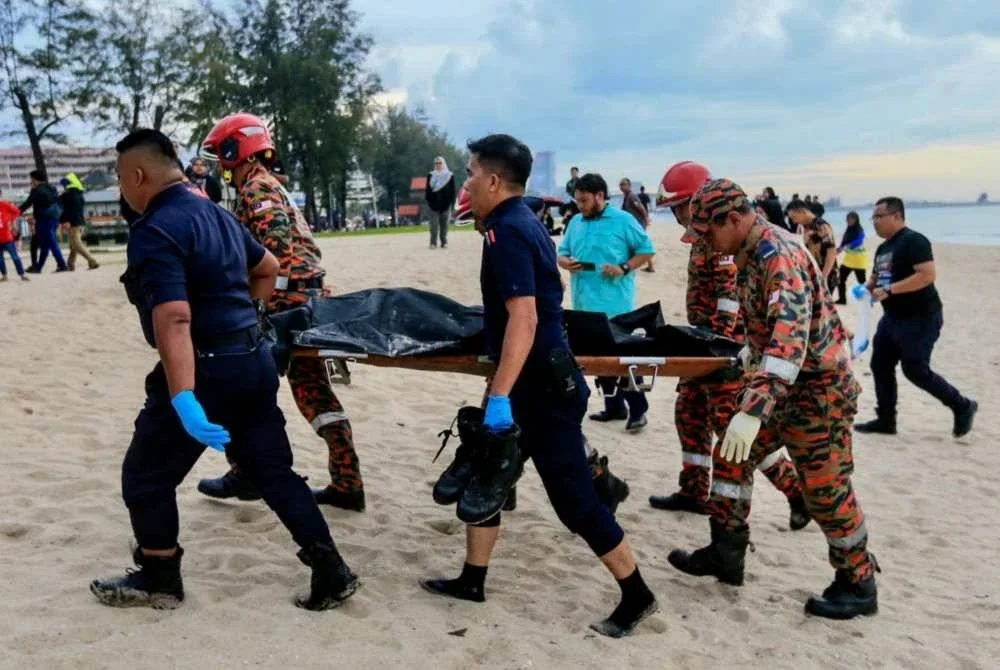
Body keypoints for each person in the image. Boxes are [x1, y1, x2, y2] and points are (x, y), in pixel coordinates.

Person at [90, 128, 358, 611]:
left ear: (136, 175)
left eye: (119, 177)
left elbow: (174, 317)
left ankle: (159, 576)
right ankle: (331, 570)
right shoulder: (215, 213)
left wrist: (184, 396)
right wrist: (243, 318)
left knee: (146, 477)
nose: (121, 187)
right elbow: (269, 267)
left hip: (206, 368)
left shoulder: (155, 230)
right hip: (252, 360)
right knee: (275, 474)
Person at [420, 133, 658, 638]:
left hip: (543, 390)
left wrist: (501, 394)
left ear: (492, 179)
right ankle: (472, 579)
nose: (466, 183)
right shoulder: (520, 220)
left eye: (469, 173)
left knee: (573, 502)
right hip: (533, 379)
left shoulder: (507, 231)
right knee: (488, 472)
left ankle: (638, 595)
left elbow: (523, 320)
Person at [671, 177, 880, 620]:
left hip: (818, 392)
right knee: (731, 456)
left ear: (734, 219)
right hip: (779, 386)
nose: (704, 245)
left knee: (826, 490)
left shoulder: (776, 255)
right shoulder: (745, 252)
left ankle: (857, 582)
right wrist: (743, 361)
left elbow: (789, 339)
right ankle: (726, 552)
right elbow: (763, 332)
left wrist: (752, 410)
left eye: (707, 233)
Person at [197, 113, 365, 511]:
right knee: (313, 395)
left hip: (283, 306)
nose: (221, 165)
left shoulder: (257, 189)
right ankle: (346, 481)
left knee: (238, 384)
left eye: (223, 155)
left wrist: (247, 297)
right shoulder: (269, 186)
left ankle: (247, 473)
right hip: (300, 303)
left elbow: (275, 248)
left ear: (238, 150)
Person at [648, 161, 808, 532]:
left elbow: (729, 298)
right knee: (688, 414)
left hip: (722, 349)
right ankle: (693, 490)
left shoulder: (723, 242)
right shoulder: (704, 235)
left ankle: (795, 491)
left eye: (678, 208)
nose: (676, 216)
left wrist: (716, 348)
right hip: (702, 342)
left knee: (731, 432)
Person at [855, 197, 977, 437]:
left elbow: (926, 275)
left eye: (879, 217)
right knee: (880, 364)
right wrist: (865, 289)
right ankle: (886, 420)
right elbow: (876, 278)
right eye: (873, 218)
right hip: (892, 318)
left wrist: (890, 290)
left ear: (897, 216)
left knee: (915, 369)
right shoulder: (883, 248)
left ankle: (962, 405)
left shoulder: (914, 241)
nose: (875, 222)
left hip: (921, 317)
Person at [558, 173, 655, 433]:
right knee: (598, 358)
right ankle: (614, 408)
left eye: (585, 200)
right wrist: (565, 262)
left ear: (600, 196)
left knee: (623, 360)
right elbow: (562, 253)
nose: (580, 205)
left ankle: (638, 410)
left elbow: (647, 251)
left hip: (616, 305)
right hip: (583, 302)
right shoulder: (576, 222)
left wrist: (624, 267)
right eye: (577, 200)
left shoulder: (624, 221)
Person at [19, 170, 68, 273]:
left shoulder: (37, 190)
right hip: (55, 217)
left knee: (51, 242)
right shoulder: (51, 187)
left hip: (44, 219)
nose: (31, 181)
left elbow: (28, 203)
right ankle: (38, 267)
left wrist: (15, 212)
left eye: (31, 179)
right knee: (45, 244)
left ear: (35, 179)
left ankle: (62, 264)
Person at [786, 199, 837, 294]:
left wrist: (824, 276)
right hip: (810, 273)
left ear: (802, 212)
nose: (793, 221)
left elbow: (831, 252)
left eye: (794, 217)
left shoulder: (821, 226)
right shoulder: (801, 227)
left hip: (824, 273)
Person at [58, 173, 100, 271]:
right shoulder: (80, 195)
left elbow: (65, 210)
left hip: (73, 223)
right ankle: (70, 264)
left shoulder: (66, 195)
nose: (64, 187)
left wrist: (63, 220)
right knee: (73, 245)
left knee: (76, 244)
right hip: (81, 223)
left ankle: (92, 260)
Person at [836, 211, 867, 304]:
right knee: (840, 279)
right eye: (848, 219)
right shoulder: (848, 230)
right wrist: (839, 249)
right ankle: (842, 299)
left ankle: (866, 299)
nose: (849, 221)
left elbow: (860, 240)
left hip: (859, 260)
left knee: (862, 282)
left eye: (851, 219)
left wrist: (850, 245)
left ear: (856, 219)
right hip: (848, 260)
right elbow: (844, 241)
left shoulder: (859, 229)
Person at [425, 156, 456, 249]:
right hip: (433, 206)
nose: (438, 165)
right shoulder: (431, 175)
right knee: (433, 226)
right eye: (436, 163)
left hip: (445, 205)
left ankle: (444, 242)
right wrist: (429, 200)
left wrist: (451, 202)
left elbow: (452, 190)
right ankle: (433, 243)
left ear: (443, 164)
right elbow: (428, 190)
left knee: (444, 226)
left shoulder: (449, 175)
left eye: (440, 163)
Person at [0, 192, 28, 281]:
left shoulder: (5, 204)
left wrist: (12, 222)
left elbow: (17, 211)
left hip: (7, 237)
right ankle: (4, 275)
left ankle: (22, 274)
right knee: (0, 259)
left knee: (14, 256)